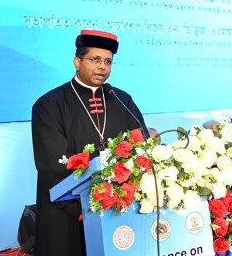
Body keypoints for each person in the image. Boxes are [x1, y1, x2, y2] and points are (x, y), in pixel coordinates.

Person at [31, 30, 147, 256]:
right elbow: (51, 165)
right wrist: (87, 206)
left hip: (117, 210)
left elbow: (141, 146)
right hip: (67, 213)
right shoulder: (49, 104)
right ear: (77, 62)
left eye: (108, 62)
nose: (102, 67)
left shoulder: (121, 99)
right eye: (95, 59)